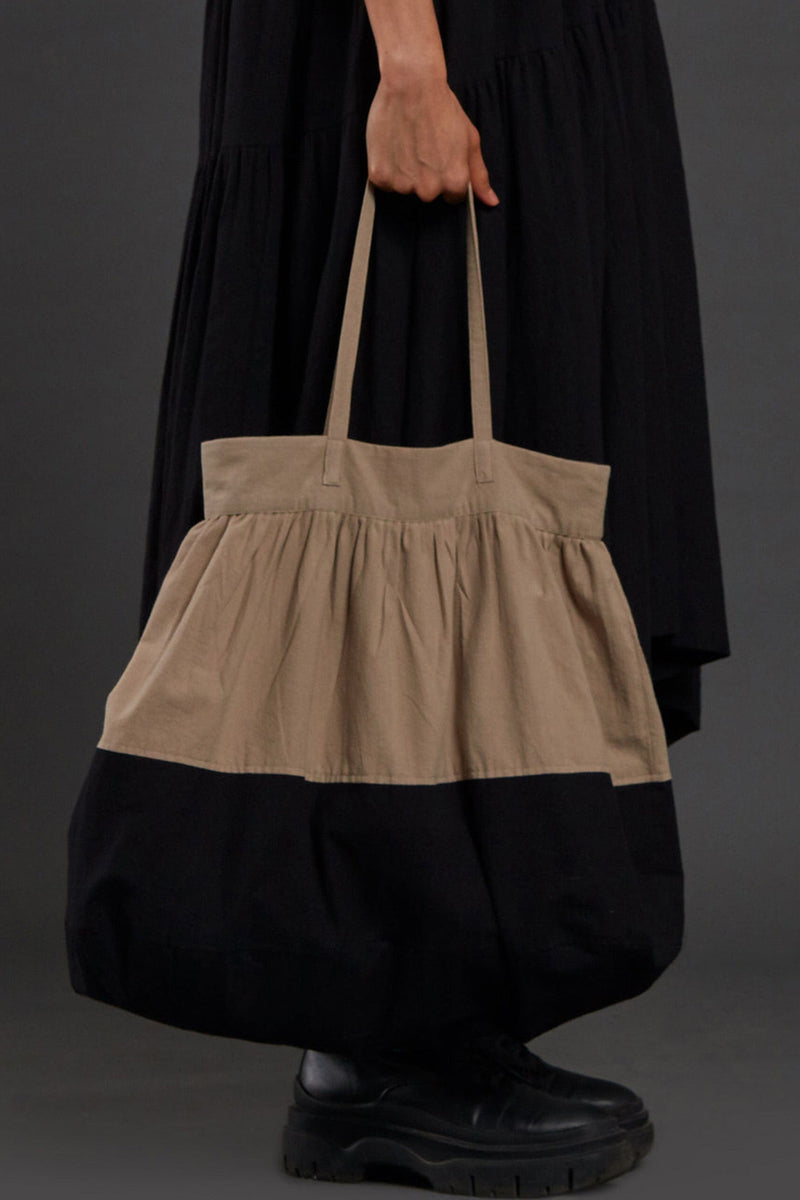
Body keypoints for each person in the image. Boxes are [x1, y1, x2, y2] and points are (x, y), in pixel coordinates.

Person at [67, 2, 730, 1195]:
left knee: (515, 445)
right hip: (424, 40)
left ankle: (435, 1006)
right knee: (401, 420)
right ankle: (380, 1045)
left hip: (532, 44)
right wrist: (411, 59)